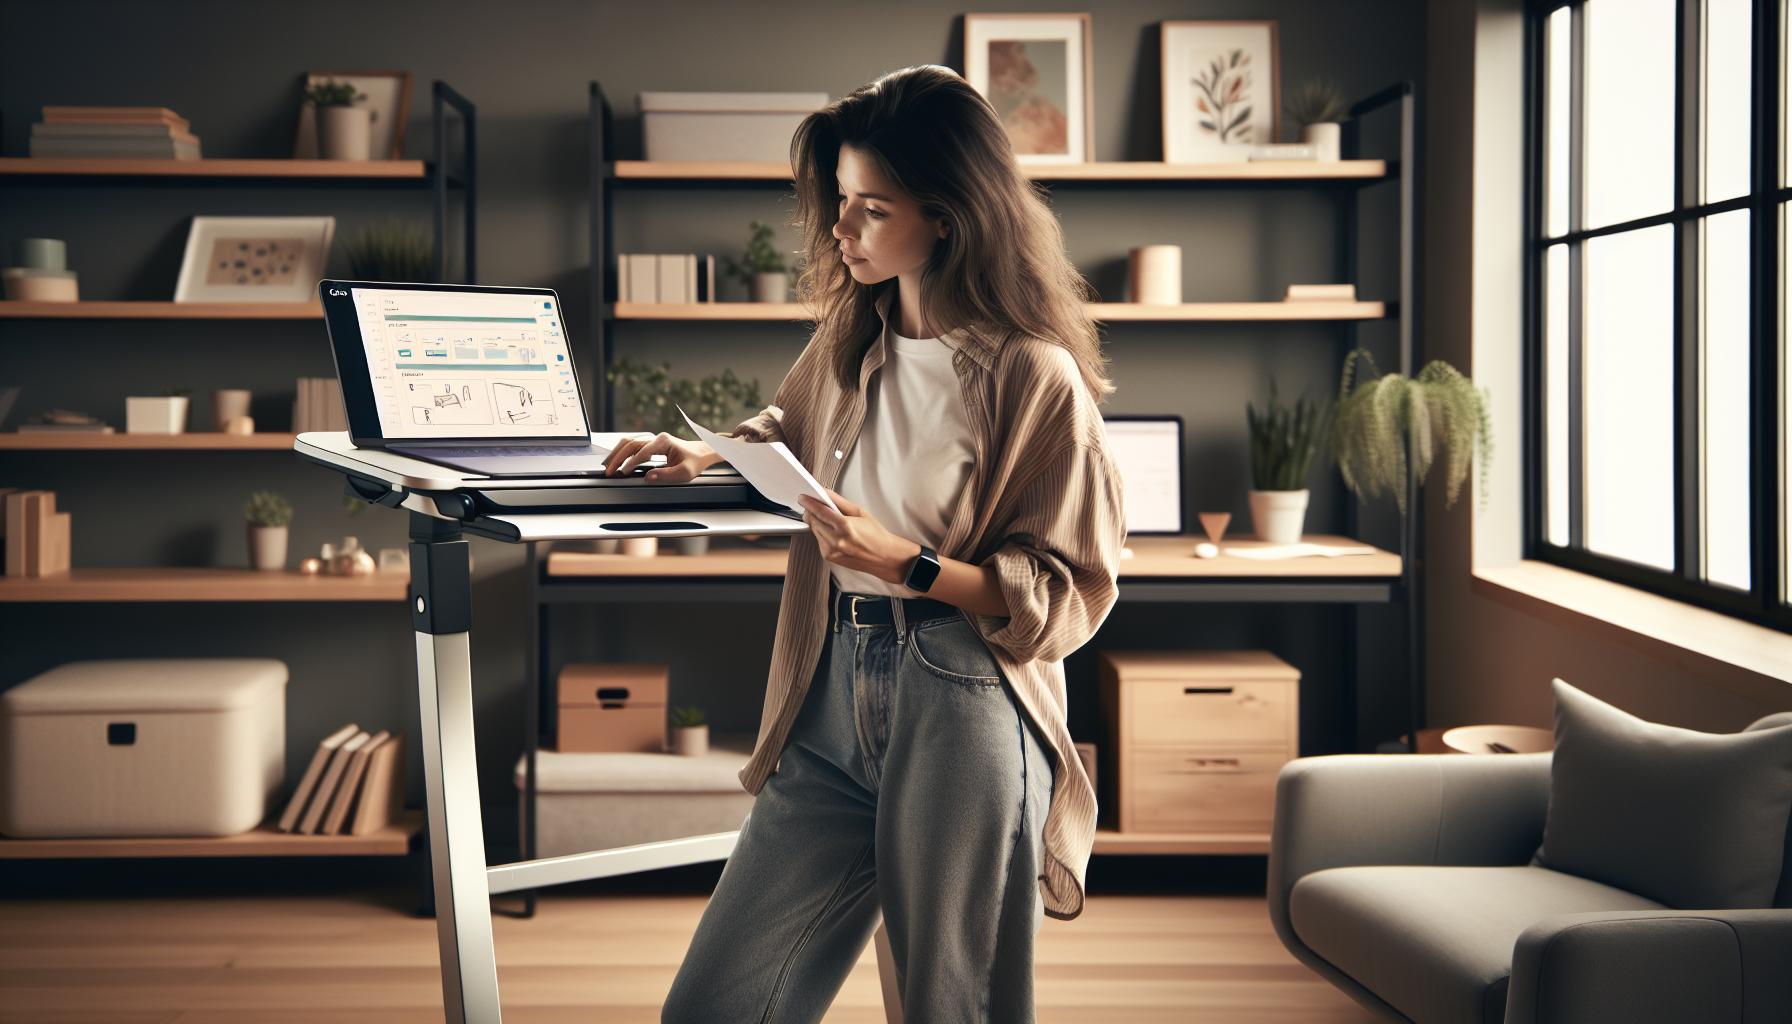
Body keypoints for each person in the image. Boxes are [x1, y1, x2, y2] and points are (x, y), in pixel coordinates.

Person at [604, 63, 1126, 1023]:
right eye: (841, 203)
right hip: (830, 684)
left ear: (946, 216)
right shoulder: (852, 336)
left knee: (951, 1007)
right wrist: (701, 455)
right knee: (717, 1003)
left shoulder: (1033, 376)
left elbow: (1068, 594)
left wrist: (908, 563)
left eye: (870, 210)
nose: (841, 231)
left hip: (963, 698)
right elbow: (789, 431)